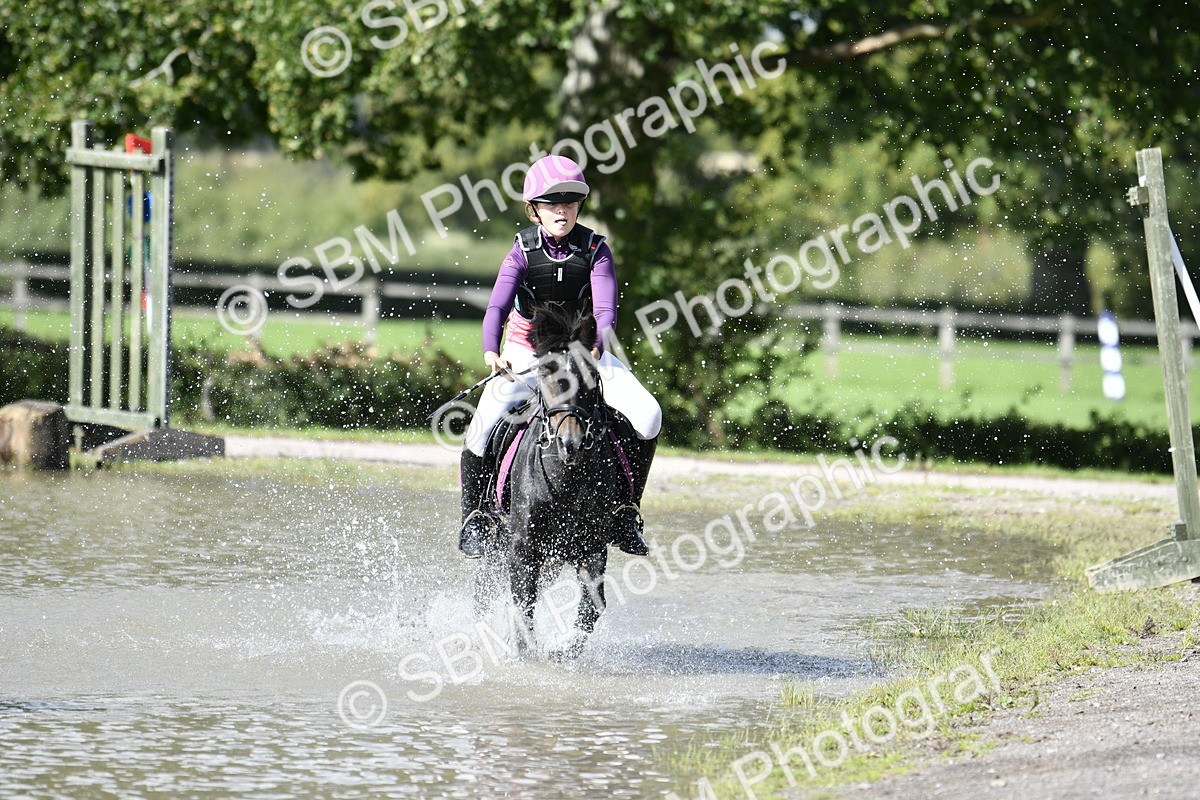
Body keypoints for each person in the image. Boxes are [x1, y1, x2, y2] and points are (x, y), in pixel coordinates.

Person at [458, 155, 662, 559]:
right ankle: (476, 517)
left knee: (649, 415)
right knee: (481, 428)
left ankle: (625, 512)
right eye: (552, 203)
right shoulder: (520, 251)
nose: (562, 209)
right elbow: (497, 308)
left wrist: (597, 346)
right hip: (526, 351)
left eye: (569, 201)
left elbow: (605, 311)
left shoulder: (595, 249)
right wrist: (491, 351)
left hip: (586, 350)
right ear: (534, 209)